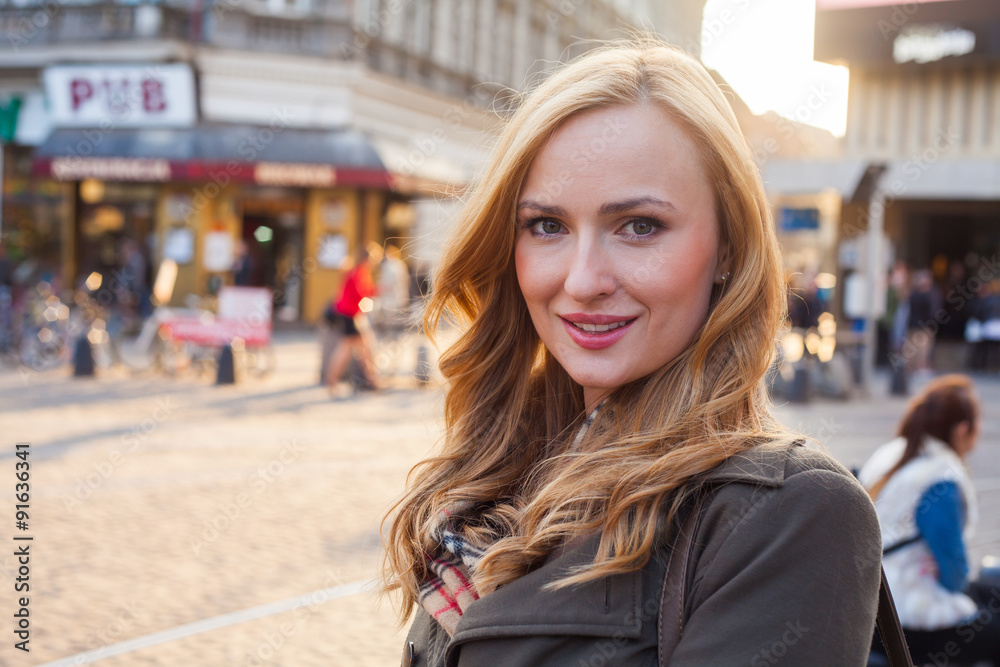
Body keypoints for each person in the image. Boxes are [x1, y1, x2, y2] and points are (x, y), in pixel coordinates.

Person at [381, 39, 882, 665]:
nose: (583, 278)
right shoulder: (490, 488)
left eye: (640, 226)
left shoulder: (788, 515)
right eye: (547, 226)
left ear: (728, 247)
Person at [860, 375, 1000, 664]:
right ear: (963, 430)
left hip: (870, 603)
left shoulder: (892, 453)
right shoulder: (941, 480)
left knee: (987, 592)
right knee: (992, 630)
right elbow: (954, 577)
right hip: (907, 617)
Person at [325, 247, 379, 393]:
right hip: (350, 315)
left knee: (363, 348)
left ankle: (370, 379)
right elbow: (360, 294)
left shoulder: (357, 271)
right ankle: (332, 381)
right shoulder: (357, 272)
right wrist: (377, 292)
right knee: (349, 348)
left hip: (352, 315)